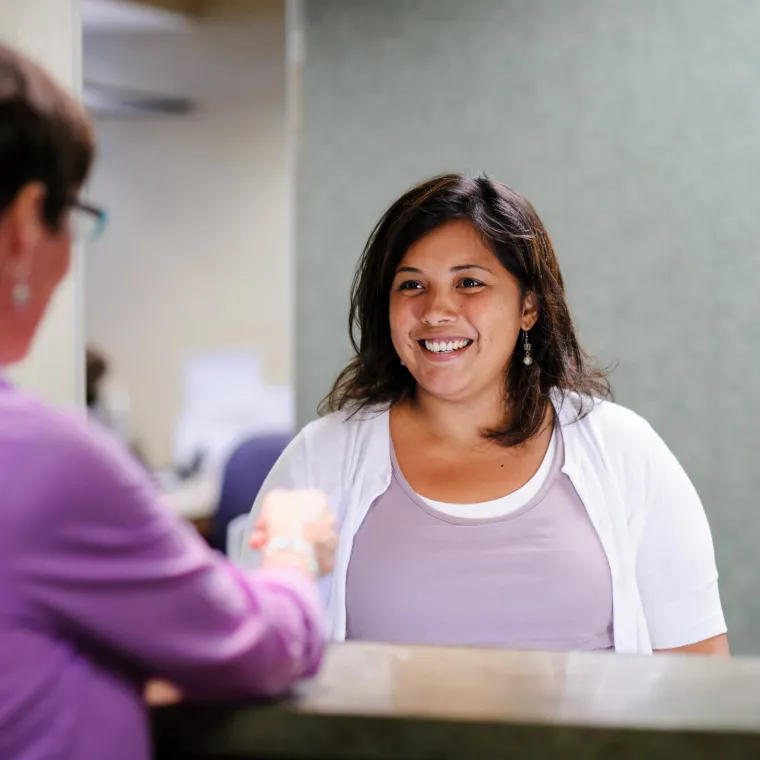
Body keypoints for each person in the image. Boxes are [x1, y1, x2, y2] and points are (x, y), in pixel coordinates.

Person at [0, 42, 337, 760]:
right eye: (75, 218)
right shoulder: (42, 463)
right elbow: (259, 647)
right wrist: (290, 548)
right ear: (28, 224)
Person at [241, 173, 729, 657]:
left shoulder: (625, 450)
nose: (437, 311)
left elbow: (699, 678)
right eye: (412, 285)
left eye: (469, 283)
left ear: (529, 308)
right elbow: (249, 657)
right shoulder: (319, 459)